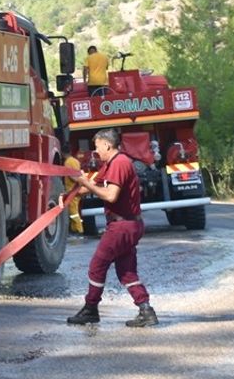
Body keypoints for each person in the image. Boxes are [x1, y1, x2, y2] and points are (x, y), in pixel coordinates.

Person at [67, 128, 158, 327]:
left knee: (97, 266)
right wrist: (70, 194)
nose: (96, 151)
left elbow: (110, 195)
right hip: (129, 224)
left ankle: (91, 309)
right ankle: (146, 310)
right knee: (127, 272)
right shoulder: (109, 164)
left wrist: (84, 182)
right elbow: (89, 186)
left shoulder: (119, 164)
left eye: (97, 147)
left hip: (122, 226)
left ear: (107, 145)